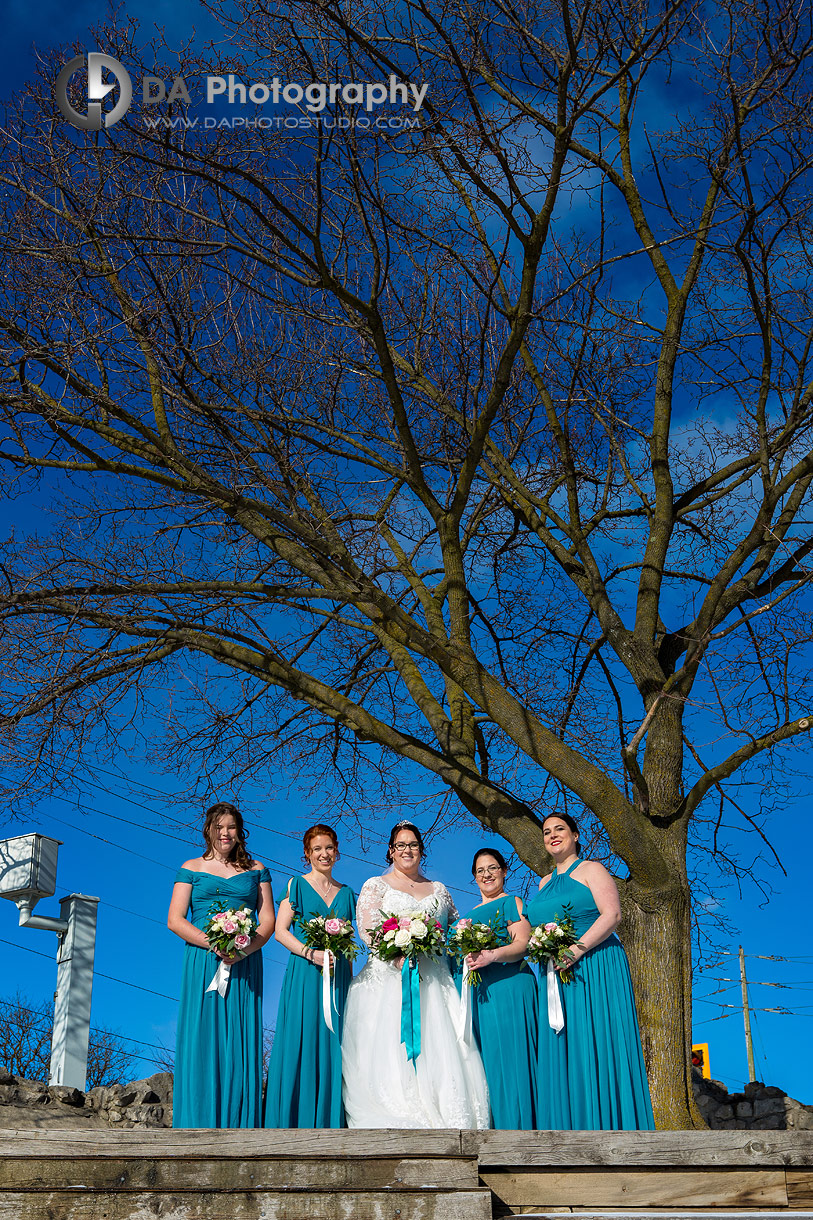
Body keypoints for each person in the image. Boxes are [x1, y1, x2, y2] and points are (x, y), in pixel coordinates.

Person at [341, 820, 489, 1128]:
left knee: (443, 1044)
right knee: (390, 1045)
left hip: (434, 977)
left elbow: (453, 929)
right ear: (391, 851)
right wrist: (394, 950)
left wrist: (465, 938)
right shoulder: (375, 885)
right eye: (401, 845)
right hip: (389, 979)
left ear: (421, 850)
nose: (407, 850)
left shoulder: (439, 890)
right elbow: (368, 929)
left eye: (413, 845)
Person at [526, 811, 655, 1130]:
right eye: (546, 832)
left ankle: (609, 1123)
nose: (552, 835)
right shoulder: (542, 883)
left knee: (594, 1042)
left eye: (559, 829)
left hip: (594, 966)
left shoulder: (591, 870)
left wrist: (576, 950)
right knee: (564, 1046)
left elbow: (611, 915)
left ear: (575, 835)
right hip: (555, 973)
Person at [168, 801, 275, 1128]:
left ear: (239, 831)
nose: (225, 833)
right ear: (208, 831)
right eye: (219, 827)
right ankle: (197, 1120)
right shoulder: (191, 867)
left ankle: (239, 1122)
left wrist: (243, 949)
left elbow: (268, 919)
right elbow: (175, 919)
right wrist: (214, 943)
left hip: (244, 965)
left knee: (240, 1036)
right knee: (203, 1034)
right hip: (203, 961)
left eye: (230, 827)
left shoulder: (257, 870)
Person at [264, 823, 356, 1128]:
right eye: (317, 849)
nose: (324, 854)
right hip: (305, 974)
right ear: (307, 854)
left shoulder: (347, 894)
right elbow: (279, 932)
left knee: (335, 1040)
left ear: (337, 851)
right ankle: (294, 1119)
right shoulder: (296, 886)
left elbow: (351, 943)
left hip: (338, 976)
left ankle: (332, 1120)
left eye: (329, 848)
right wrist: (311, 953)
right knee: (302, 1037)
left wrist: (351, 986)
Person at [453, 848, 538, 1129]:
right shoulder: (465, 918)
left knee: (514, 1061)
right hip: (482, 997)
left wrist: (491, 955)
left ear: (503, 871)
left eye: (492, 868)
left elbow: (522, 945)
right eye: (480, 871)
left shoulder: (511, 902)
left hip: (510, 989)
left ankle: (523, 1128)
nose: (486, 875)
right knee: (488, 1065)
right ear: (474, 878)